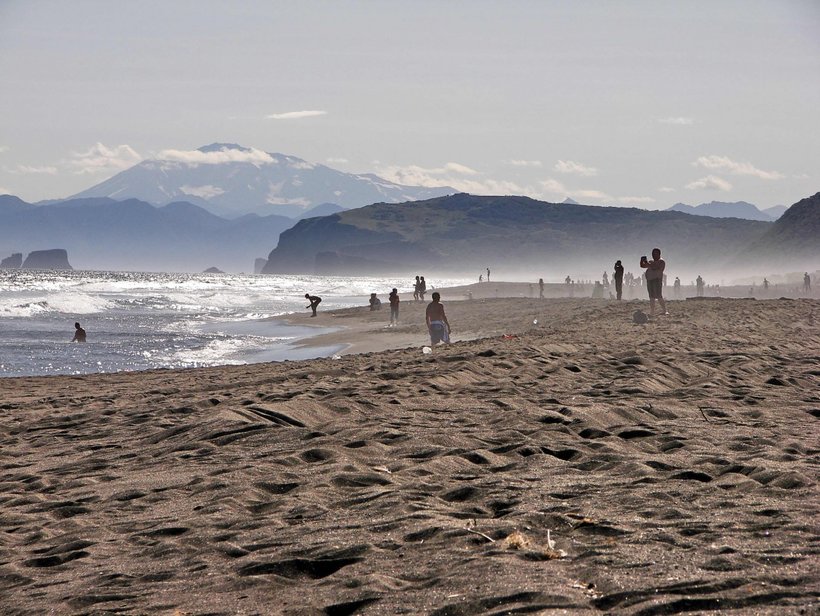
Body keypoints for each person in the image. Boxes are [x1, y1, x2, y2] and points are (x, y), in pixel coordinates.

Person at [640, 248, 667, 316]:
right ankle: (652, 311)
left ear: (659, 254)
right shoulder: (651, 261)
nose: (653, 255)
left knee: (659, 296)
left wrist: (649, 264)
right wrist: (642, 261)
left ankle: (664, 310)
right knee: (651, 296)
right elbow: (643, 266)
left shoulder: (661, 261)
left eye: (655, 253)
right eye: (653, 253)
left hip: (657, 280)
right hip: (650, 280)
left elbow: (658, 269)